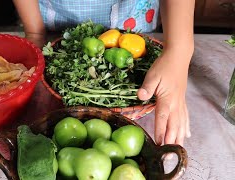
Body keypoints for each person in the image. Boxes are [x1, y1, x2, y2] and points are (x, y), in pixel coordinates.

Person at [13, 0, 194, 147]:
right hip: (54, 26)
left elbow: (178, 50)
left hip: (133, 24)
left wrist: (179, 50)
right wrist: (35, 33)